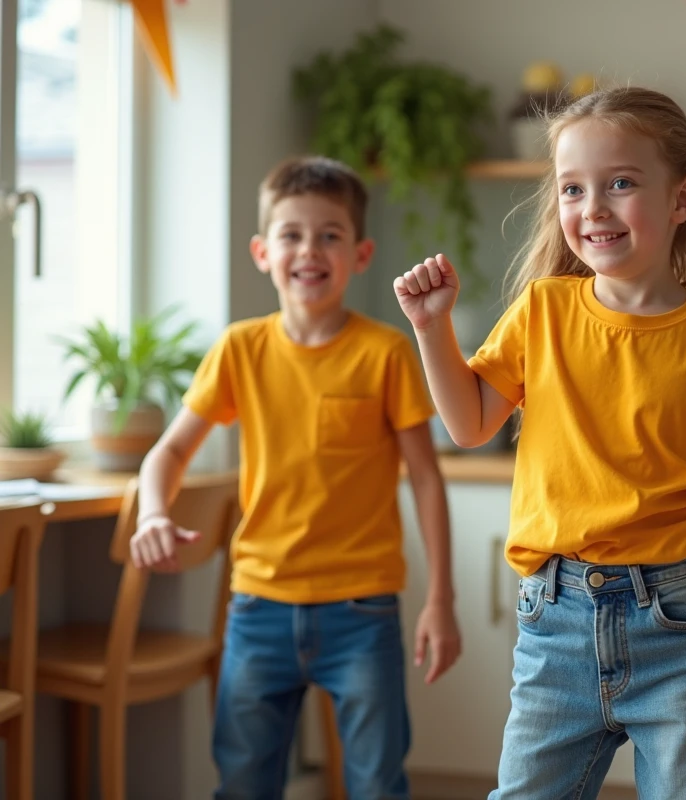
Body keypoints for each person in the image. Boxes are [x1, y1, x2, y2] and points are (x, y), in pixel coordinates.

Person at [393, 85, 686, 800]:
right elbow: (468, 423)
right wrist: (431, 328)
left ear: (682, 200)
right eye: (573, 188)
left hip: (678, 621)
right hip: (556, 620)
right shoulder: (543, 309)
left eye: (620, 184)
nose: (593, 207)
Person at [131, 155, 461, 799]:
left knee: (376, 783)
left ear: (360, 254)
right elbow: (166, 455)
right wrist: (151, 512)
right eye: (291, 235)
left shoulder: (386, 352)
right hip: (256, 607)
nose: (310, 250)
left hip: (362, 610)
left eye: (330, 235)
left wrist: (440, 601)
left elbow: (426, 479)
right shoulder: (238, 349)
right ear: (262, 251)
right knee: (246, 782)